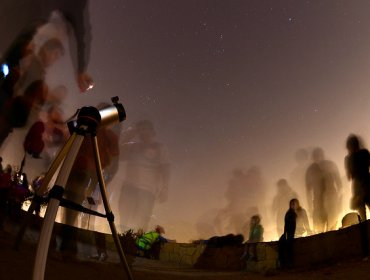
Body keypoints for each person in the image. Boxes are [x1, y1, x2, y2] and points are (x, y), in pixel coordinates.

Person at [118, 120, 170, 232]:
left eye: (146, 129)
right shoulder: (132, 147)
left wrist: (165, 188)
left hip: (147, 191)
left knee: (142, 220)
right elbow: (117, 153)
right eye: (141, 129)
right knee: (124, 217)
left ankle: (137, 246)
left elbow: (165, 168)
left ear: (152, 131)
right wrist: (129, 136)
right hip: (129, 187)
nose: (143, 132)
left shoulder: (160, 148)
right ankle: (122, 239)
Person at [306, 148, 342, 233]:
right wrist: (310, 207)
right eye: (315, 156)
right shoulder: (311, 170)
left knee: (332, 223)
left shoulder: (330, 165)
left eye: (318, 155)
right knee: (320, 227)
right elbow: (308, 190)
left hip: (331, 198)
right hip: (318, 201)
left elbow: (339, 184)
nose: (317, 158)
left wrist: (339, 201)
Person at [345, 134, 370, 222]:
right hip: (367, 183)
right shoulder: (365, 153)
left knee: (363, 216)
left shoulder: (348, 158)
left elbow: (349, 176)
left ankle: (365, 234)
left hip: (358, 188)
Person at [278, 198, 298, 269]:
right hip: (288, 234)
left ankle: (285, 264)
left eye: (295, 204)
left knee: (287, 248)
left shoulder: (291, 213)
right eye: (293, 204)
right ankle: (287, 264)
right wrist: (287, 234)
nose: (295, 205)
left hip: (288, 234)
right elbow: (289, 225)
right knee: (288, 248)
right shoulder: (290, 213)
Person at [0, 165, 12, 229]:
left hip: (2, 191)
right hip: (5, 193)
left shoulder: (4, 175)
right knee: (2, 208)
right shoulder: (9, 176)